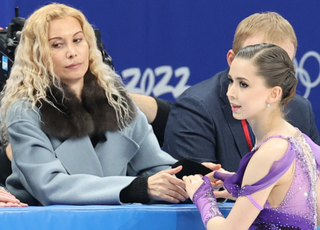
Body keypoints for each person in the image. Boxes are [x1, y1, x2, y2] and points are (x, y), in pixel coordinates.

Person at [0, 3, 197, 206]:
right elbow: (49, 185)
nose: (72, 52)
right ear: (36, 54)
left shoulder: (118, 103)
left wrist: (193, 180)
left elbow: (154, 168)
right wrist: (137, 188)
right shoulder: (25, 112)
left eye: (77, 40)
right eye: (57, 45)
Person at [183, 43, 320, 229]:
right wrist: (239, 186)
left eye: (243, 84)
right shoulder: (301, 139)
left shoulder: (270, 152)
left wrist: (202, 197)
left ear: (274, 94)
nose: (230, 92)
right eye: (231, 81)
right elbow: (289, 203)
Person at [163, 12, 320, 172]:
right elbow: (189, 192)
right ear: (232, 60)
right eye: (257, 60)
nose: (270, 75)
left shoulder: (301, 109)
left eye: (280, 67)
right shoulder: (196, 108)